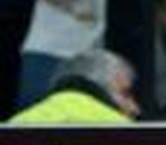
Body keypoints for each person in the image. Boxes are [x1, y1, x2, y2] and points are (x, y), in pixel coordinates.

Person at [6, 48, 137, 124]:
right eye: (125, 94)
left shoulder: (15, 127)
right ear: (98, 86)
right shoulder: (128, 135)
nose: (135, 108)